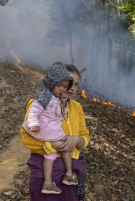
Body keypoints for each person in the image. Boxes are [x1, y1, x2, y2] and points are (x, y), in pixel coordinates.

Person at [21, 63, 89, 200]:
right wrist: (51, 146)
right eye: (68, 84)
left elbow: (85, 138)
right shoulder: (41, 102)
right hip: (45, 169)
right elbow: (26, 139)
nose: (71, 88)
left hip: (70, 172)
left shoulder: (77, 108)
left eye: (75, 84)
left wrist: (76, 140)